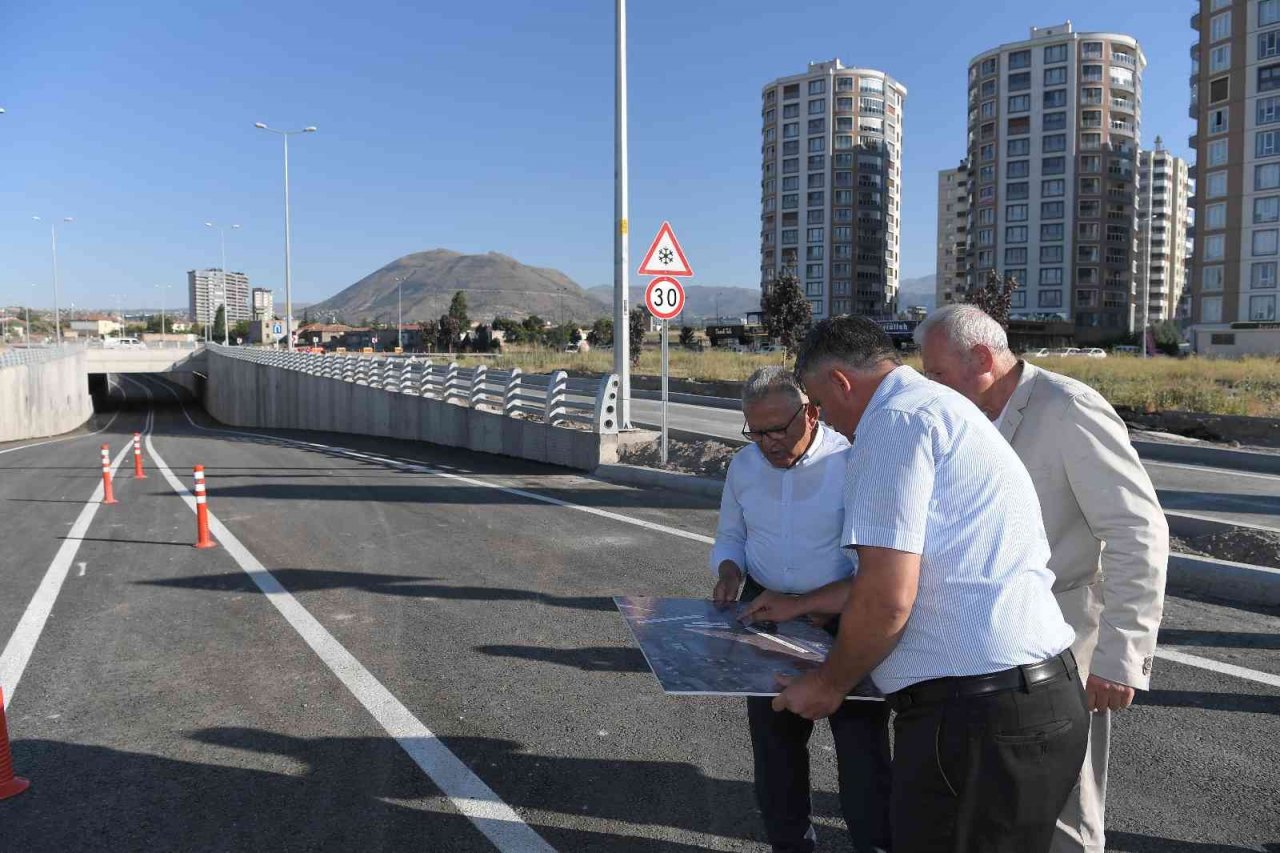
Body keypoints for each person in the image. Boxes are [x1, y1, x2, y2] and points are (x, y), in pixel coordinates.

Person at [749, 316, 1088, 853]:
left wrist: (828, 684)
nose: (831, 425)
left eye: (823, 405)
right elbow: (925, 569)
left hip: (975, 717)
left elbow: (887, 599)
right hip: (1035, 703)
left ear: (840, 383)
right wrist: (803, 603)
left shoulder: (893, 425)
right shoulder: (938, 407)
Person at [914, 304, 1168, 853]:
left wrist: (1121, 657)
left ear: (982, 358)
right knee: (1001, 795)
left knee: (1067, 804)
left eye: (936, 373)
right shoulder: (970, 418)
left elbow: (1137, 532)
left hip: (1065, 633)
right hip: (988, 640)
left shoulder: (1068, 410)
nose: (929, 385)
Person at [710, 366, 891, 853]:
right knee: (776, 749)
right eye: (756, 431)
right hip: (765, 615)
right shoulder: (744, 467)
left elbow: (873, 569)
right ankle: (790, 844)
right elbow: (732, 535)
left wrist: (809, 605)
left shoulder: (853, 462)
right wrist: (729, 571)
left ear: (810, 412)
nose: (767, 442)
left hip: (842, 622)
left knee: (862, 752)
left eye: (779, 429)